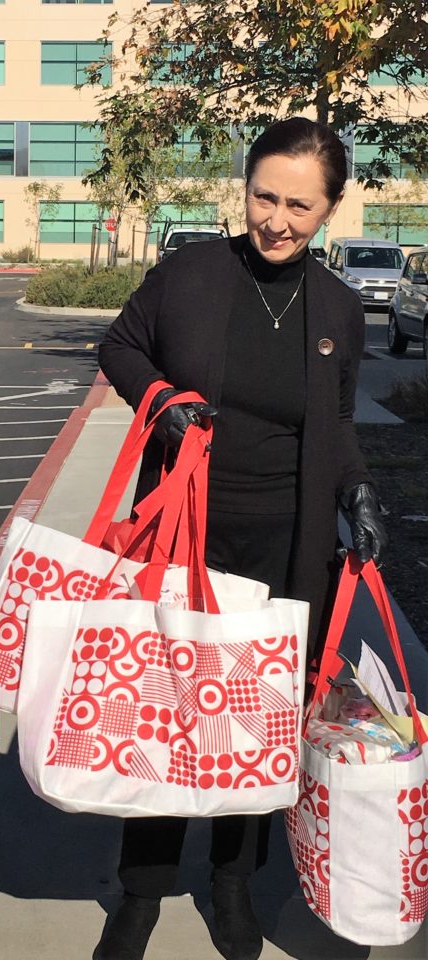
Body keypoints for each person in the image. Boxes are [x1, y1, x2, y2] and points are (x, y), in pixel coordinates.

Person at [93, 117, 387, 960]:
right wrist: (159, 399)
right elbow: (120, 347)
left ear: (328, 210)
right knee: (162, 712)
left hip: (287, 548)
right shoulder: (188, 274)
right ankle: (141, 891)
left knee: (254, 726)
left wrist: (356, 486)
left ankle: (231, 882)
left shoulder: (336, 307)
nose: (276, 221)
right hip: (185, 537)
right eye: (264, 197)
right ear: (245, 186)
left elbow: (334, 422)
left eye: (299, 206)